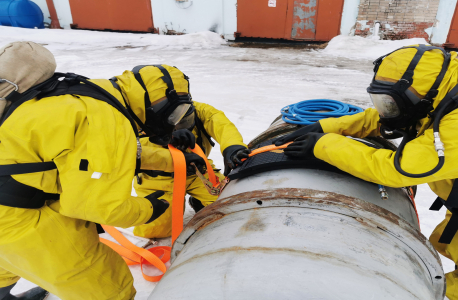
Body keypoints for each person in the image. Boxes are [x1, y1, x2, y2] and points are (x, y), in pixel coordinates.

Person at [0, 42, 193, 300]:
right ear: (153, 106)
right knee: (107, 288)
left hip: (8, 203)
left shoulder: (86, 94)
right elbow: (96, 207)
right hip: (18, 221)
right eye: (172, 114)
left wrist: (173, 161)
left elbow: (106, 154)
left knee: (3, 268)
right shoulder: (103, 118)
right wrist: (150, 208)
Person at [275, 44, 458, 299]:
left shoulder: (454, 126)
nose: (386, 108)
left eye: (392, 102)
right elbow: (387, 118)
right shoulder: (443, 93)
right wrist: (327, 125)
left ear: (423, 97)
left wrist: (323, 145)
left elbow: (395, 170)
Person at [133, 101, 249, 239]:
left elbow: (222, 125)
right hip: (158, 178)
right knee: (155, 230)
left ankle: (198, 201)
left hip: (198, 172)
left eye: (185, 122)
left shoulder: (201, 111)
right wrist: (165, 140)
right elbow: (127, 146)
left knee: (232, 205)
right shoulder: (140, 118)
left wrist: (233, 146)